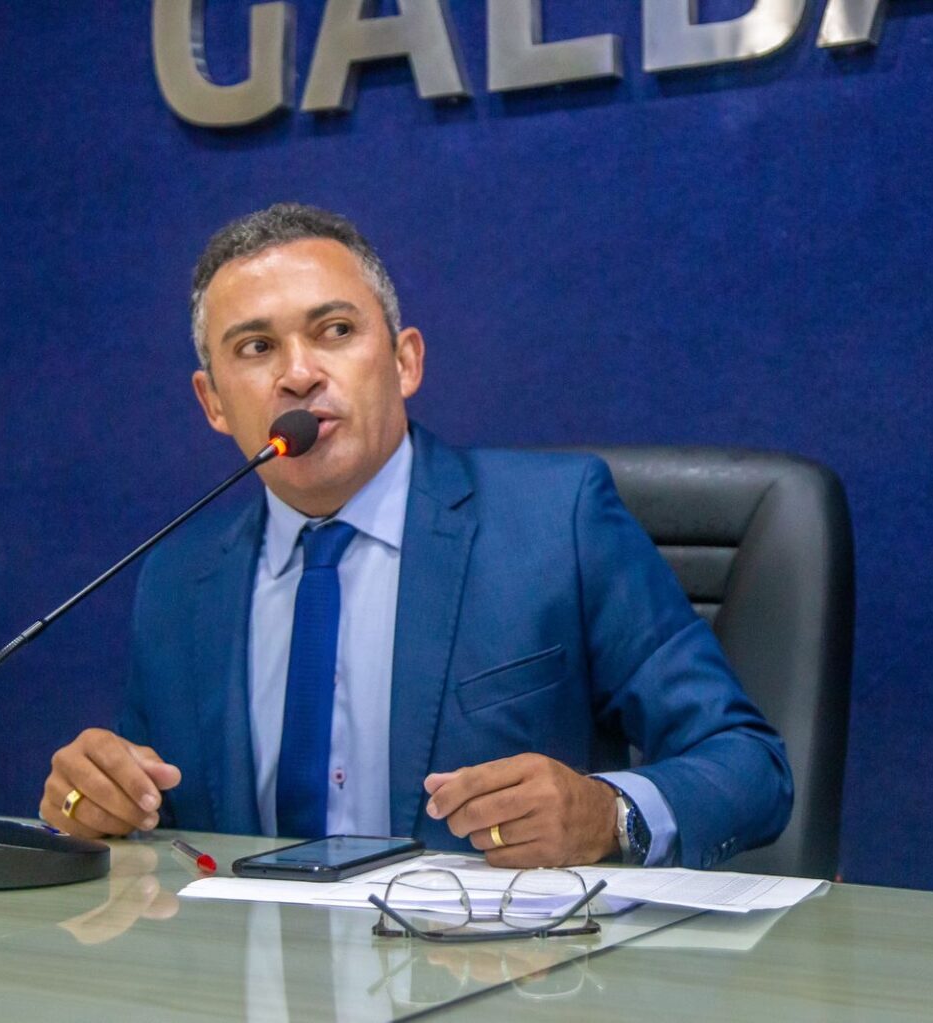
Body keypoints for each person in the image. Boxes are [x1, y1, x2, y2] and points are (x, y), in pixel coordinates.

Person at [39, 204, 792, 870]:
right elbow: (162, 820)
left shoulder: (556, 522)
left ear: (405, 362)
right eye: (256, 347)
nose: (299, 374)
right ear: (212, 402)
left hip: (497, 964)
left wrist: (606, 813)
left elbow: (751, 765)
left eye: (335, 331)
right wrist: (97, 800)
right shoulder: (179, 578)